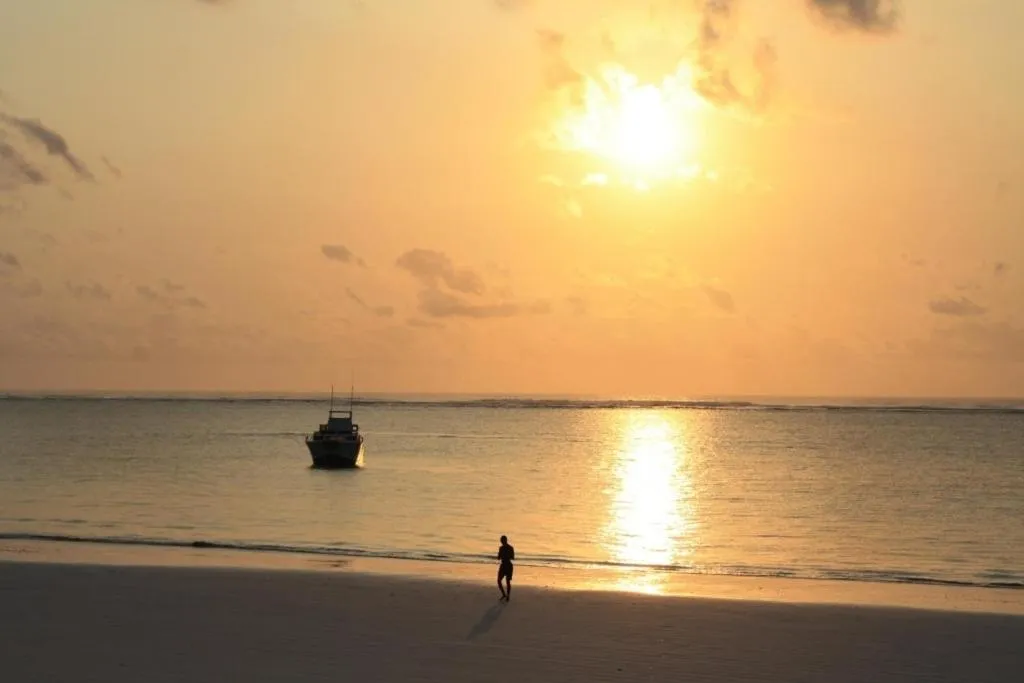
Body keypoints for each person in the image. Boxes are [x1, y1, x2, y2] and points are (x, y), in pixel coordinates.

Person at [497, 535, 514, 601]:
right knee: (506, 581)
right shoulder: (511, 548)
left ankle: (506, 595)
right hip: (508, 565)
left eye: (501, 541)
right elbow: (512, 557)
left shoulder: (501, 548)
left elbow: (498, 558)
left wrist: (502, 555)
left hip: (505, 565)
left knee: (501, 581)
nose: (501, 542)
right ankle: (506, 595)